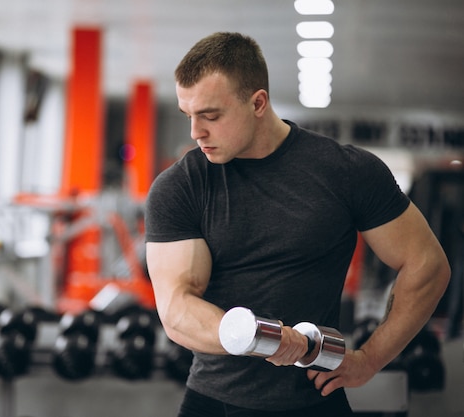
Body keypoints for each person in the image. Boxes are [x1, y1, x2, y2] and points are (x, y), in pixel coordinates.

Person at [144, 32, 451, 417]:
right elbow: (176, 309)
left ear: (258, 103)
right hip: (213, 403)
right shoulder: (181, 186)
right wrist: (261, 337)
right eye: (188, 115)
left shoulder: (347, 172)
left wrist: (371, 359)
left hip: (315, 400)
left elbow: (428, 265)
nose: (195, 132)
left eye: (211, 115)